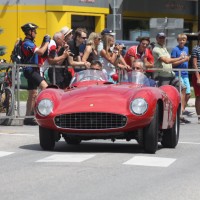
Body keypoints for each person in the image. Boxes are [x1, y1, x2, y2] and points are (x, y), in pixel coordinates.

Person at [152, 32, 191, 124]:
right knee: (163, 96)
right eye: (160, 38)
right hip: (162, 76)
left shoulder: (164, 48)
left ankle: (180, 113)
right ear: (157, 39)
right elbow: (167, 61)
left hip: (170, 75)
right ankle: (161, 118)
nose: (162, 39)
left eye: (163, 37)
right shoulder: (156, 49)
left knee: (183, 88)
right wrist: (182, 58)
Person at [21, 23, 50, 125]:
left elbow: (39, 51)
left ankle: (28, 117)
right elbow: (41, 52)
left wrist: (43, 42)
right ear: (30, 32)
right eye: (35, 31)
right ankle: (39, 112)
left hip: (32, 70)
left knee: (32, 93)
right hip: (30, 70)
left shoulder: (30, 43)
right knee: (45, 87)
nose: (36, 33)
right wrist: (47, 42)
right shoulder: (27, 43)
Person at [171, 33, 194, 116]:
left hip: (185, 73)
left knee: (188, 94)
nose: (182, 41)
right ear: (178, 40)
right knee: (181, 92)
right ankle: (181, 110)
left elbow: (187, 59)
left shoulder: (186, 49)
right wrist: (183, 60)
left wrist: (188, 59)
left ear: (185, 41)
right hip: (178, 73)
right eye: (180, 40)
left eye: (183, 40)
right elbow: (173, 63)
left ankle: (183, 108)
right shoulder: (175, 50)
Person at [191, 33, 200, 124]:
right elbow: (194, 64)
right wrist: (198, 77)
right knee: (198, 96)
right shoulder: (195, 49)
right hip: (198, 74)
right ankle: (199, 117)